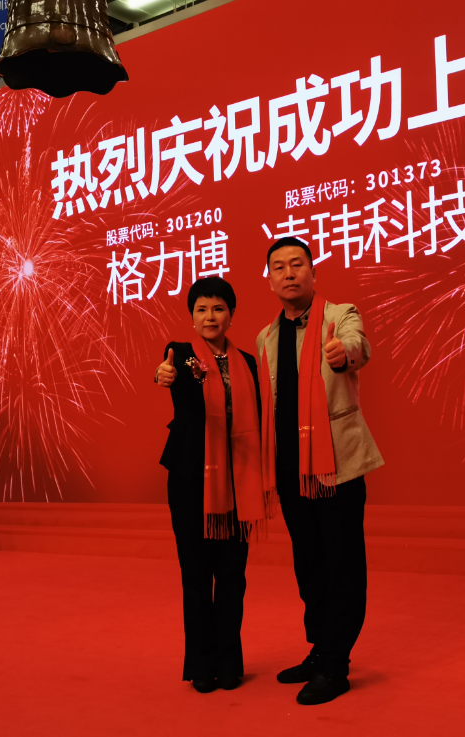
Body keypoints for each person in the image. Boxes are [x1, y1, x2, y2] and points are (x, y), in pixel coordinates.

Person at [257, 236, 385, 705]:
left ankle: (336, 664)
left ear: (313, 273)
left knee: (342, 563)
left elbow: (359, 346)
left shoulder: (339, 315)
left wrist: (343, 354)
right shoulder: (266, 338)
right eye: (279, 267)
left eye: (297, 264)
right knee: (309, 563)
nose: (288, 273)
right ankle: (320, 648)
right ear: (270, 280)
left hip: (337, 466)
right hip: (291, 469)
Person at [155, 276, 271, 694]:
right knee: (196, 574)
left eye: (218, 308)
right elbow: (166, 372)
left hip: (239, 480)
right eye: (201, 309)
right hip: (192, 479)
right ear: (192, 317)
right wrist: (163, 374)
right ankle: (201, 664)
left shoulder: (249, 363)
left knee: (233, 576)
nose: (210, 316)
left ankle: (229, 661)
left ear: (231, 315)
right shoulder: (181, 354)